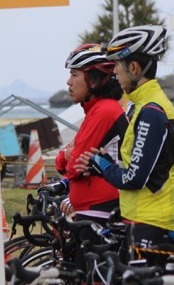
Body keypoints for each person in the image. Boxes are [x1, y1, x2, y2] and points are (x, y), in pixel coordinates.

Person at [75, 25, 174, 250]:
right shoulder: (147, 105)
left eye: (117, 64)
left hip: (154, 221)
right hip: (150, 217)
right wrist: (106, 163)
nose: (114, 71)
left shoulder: (150, 111)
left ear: (134, 67)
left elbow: (134, 179)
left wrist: (101, 164)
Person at [52, 43, 129, 269]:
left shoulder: (104, 110)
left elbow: (73, 165)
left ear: (94, 80)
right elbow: (65, 161)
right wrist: (69, 154)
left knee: (92, 275)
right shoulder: (94, 110)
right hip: (90, 209)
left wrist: (69, 154)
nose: (68, 81)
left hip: (100, 210)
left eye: (74, 74)